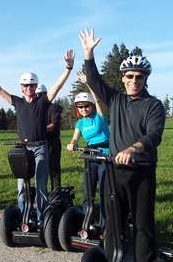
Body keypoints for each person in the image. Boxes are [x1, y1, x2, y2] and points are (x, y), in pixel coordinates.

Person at [79, 29, 166, 262]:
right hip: (115, 172)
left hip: (141, 172)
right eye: (129, 76)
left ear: (146, 79)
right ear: (123, 78)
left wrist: (132, 149)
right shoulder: (116, 99)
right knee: (114, 223)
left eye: (139, 76)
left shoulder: (153, 106)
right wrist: (88, 54)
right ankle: (112, 257)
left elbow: (154, 135)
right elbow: (94, 81)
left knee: (143, 226)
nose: (134, 81)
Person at [0, 49, 75, 223]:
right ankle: (23, 217)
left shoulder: (43, 102)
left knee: (41, 185)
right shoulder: (18, 102)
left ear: (36, 87)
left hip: (40, 148)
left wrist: (68, 68)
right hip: (23, 150)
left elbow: (57, 87)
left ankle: (41, 219)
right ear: (21, 88)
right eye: (25, 86)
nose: (28, 88)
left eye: (31, 85)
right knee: (22, 185)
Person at [66, 79, 110, 235]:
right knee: (87, 192)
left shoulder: (99, 116)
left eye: (86, 106)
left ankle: (105, 228)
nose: (83, 109)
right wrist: (72, 143)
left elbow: (97, 99)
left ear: (91, 106)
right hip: (90, 155)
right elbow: (75, 138)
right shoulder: (80, 123)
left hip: (105, 155)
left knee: (105, 191)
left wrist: (89, 83)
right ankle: (87, 224)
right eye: (80, 106)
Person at [36, 84, 63, 191]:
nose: (38, 97)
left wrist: (38, 129)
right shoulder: (36, 109)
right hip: (39, 142)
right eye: (37, 95)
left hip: (52, 142)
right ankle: (42, 196)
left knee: (54, 169)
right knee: (40, 170)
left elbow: (53, 125)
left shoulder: (53, 108)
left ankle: (56, 194)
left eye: (40, 95)